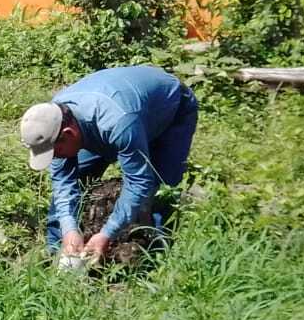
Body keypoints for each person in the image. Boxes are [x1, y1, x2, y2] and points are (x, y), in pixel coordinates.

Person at [18, 65, 199, 261]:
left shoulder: (117, 122)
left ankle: (153, 253)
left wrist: (107, 233)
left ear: (68, 135)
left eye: (54, 153)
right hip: (116, 115)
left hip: (170, 109)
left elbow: (139, 182)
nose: (53, 158)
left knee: (157, 182)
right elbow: (63, 183)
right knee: (78, 180)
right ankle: (59, 253)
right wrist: (69, 229)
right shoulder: (53, 120)